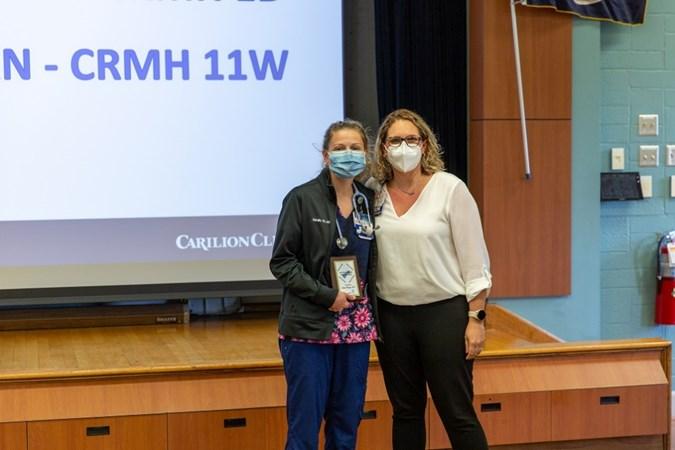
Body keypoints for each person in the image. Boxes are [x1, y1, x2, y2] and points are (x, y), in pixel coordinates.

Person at [372, 109, 492, 450]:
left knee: (457, 412)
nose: (404, 147)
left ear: (424, 145)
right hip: (391, 318)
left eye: (411, 139)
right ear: (383, 148)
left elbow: (475, 260)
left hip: (443, 315)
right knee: (405, 413)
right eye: (395, 140)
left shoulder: (449, 188)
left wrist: (476, 318)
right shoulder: (373, 193)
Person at [269, 119, 378, 450]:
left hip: (356, 328)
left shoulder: (369, 200)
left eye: (355, 148)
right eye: (340, 148)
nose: (348, 154)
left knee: (346, 424)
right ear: (326, 156)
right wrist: (326, 296)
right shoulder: (301, 199)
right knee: (304, 427)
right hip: (309, 327)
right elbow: (282, 262)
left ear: (366, 154)